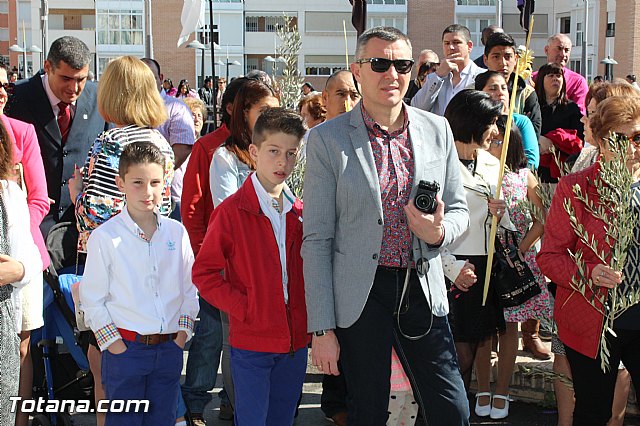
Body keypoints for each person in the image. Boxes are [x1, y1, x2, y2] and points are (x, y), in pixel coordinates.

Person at [303, 26, 470, 425]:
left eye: (401, 64)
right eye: (379, 63)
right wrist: (322, 328)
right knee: (368, 410)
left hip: (422, 283)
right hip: (362, 292)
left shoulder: (437, 129)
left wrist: (439, 232)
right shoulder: (327, 140)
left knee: (452, 407)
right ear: (357, 70)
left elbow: (460, 209)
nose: (391, 74)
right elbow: (317, 238)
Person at [69, 55, 175, 426]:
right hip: (153, 277)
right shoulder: (160, 141)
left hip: (114, 274)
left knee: (108, 383)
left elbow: (95, 214)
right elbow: (167, 206)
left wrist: (76, 194)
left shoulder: (112, 140)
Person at [193, 107, 308, 425]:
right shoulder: (231, 213)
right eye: (274, 151)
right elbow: (204, 274)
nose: (282, 162)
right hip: (252, 344)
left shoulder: (301, 213)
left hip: (294, 346)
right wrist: (243, 307)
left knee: (282, 419)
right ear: (254, 152)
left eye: (291, 153)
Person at [537, 95, 640, 426]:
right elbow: (550, 257)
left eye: (637, 137)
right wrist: (588, 272)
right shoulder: (574, 187)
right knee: (593, 413)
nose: (631, 148)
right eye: (618, 139)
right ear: (600, 140)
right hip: (594, 321)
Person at [80, 142, 199, 425]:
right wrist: (114, 344)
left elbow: (190, 288)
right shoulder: (105, 237)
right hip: (126, 352)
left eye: (155, 182)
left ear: (165, 184)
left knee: (163, 419)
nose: (147, 192)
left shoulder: (177, 232)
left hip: (169, 349)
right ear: (121, 183)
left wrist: (182, 335)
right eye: (138, 182)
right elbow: (92, 297)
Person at [208, 78, 279, 414]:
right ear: (244, 113)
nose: (270, 116)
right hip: (239, 270)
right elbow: (227, 211)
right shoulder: (224, 157)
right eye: (263, 110)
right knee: (236, 345)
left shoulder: (282, 153)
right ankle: (243, 413)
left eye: (274, 110)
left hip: (278, 270)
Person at [474, 116, 551, 420]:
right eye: (490, 139)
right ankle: (481, 387)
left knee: (510, 330)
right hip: (482, 260)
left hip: (514, 267)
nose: (493, 144)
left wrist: (520, 248)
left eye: (499, 140)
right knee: (482, 328)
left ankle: (502, 390)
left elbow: (542, 218)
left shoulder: (525, 177)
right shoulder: (476, 174)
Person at [179, 78, 245, 425]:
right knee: (210, 335)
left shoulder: (265, 146)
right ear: (234, 107)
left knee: (240, 340)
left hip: (247, 264)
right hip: (214, 261)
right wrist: (204, 253)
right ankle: (194, 402)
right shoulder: (208, 147)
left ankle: (235, 401)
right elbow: (191, 206)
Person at [440, 89, 508, 395]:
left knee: (471, 347)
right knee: (455, 353)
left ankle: (458, 412)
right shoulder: (437, 162)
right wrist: (451, 267)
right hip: (447, 266)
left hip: (484, 266)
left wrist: (501, 213)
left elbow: (501, 223)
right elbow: (424, 223)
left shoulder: (494, 163)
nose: (495, 131)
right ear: (471, 121)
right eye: (490, 122)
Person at [6, 36, 106, 237]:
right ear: (48, 67)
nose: (74, 88)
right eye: (66, 79)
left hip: (82, 228)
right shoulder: (16, 98)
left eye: (81, 79)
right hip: (30, 225)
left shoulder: (99, 99)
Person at [0, 64, 49, 426]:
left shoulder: (21, 132)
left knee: (21, 346)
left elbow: (38, 199)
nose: (2, 92)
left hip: (23, 256)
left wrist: (16, 251)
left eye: (5, 87)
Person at [316, 68, 360, 426]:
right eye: (340, 95)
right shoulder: (313, 142)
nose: (347, 102)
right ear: (324, 100)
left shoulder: (371, 141)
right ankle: (335, 404)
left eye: (353, 95)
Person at [411, 24, 486, 116]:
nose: (451, 47)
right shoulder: (435, 77)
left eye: (456, 42)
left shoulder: (482, 76)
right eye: (446, 43)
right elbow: (417, 107)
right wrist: (438, 76)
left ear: (469, 46)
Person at [482, 31, 542, 137]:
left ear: (516, 59)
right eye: (496, 57)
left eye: (508, 56)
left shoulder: (526, 93)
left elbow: (533, 133)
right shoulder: (473, 90)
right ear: (486, 60)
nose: (503, 63)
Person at [475, 71, 539, 168]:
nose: (500, 93)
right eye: (493, 89)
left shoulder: (521, 122)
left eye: (504, 88)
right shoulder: (474, 122)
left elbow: (532, 161)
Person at [141, 58, 195, 170]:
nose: (146, 84)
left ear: (161, 78)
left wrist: (152, 176)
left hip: (167, 182)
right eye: (140, 79)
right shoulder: (128, 109)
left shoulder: (177, 108)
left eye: (151, 78)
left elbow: (181, 151)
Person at [536, 62, 584, 184]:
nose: (555, 79)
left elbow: (579, 138)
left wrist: (556, 142)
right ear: (541, 79)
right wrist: (538, 139)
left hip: (562, 170)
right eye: (550, 75)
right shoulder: (532, 106)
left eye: (558, 76)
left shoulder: (571, 108)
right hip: (536, 170)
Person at [532, 34, 589, 115]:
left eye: (566, 50)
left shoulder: (578, 82)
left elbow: (579, 116)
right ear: (546, 50)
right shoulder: (532, 78)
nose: (563, 54)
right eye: (559, 48)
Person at [170, 97, 206, 221]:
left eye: (199, 116)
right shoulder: (177, 145)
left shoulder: (205, 147)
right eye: (192, 115)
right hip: (178, 199)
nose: (196, 119)